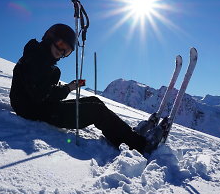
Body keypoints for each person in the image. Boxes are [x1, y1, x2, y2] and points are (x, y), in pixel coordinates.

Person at [10, 23, 162, 154]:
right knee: (95, 111)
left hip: (39, 106)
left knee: (94, 100)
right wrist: (68, 88)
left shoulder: (41, 59)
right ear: (50, 37)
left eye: (67, 51)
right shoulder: (36, 59)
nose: (62, 52)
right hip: (33, 109)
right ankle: (141, 145)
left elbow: (41, 89)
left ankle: (126, 136)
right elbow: (40, 94)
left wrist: (67, 87)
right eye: (61, 45)